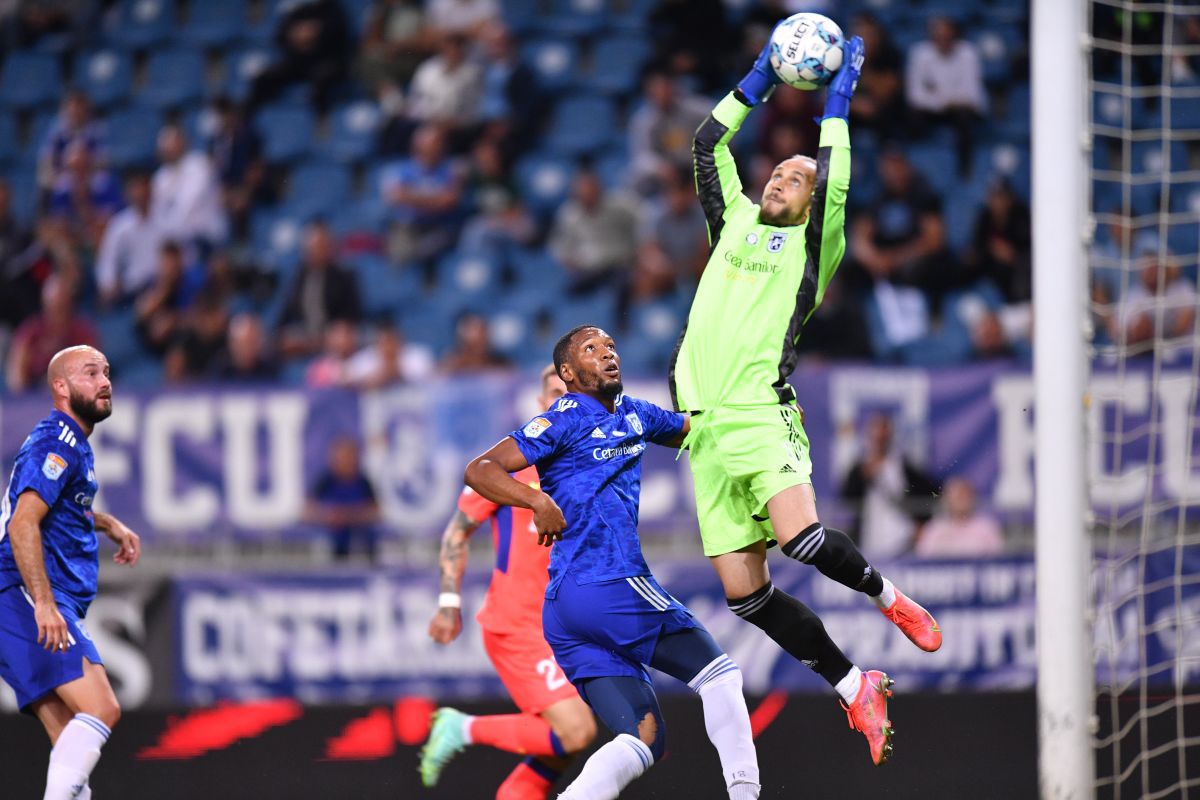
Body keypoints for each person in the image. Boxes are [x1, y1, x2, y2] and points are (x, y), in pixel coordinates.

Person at [668, 31, 940, 766]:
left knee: (803, 539)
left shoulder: (813, 246)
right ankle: (854, 684)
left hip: (760, 409)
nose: (784, 177)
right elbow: (704, 145)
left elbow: (835, 172)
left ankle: (891, 598)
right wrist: (757, 79)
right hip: (704, 432)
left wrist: (839, 99)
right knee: (743, 596)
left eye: (798, 174)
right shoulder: (734, 224)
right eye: (779, 171)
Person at [462, 325, 762, 800]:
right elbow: (480, 469)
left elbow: (698, 427)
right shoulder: (561, 419)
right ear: (568, 373)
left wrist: (765, 417)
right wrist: (536, 502)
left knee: (644, 740)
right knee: (719, 674)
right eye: (591, 349)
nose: (607, 354)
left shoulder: (635, 413)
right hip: (606, 583)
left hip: (568, 613)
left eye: (610, 346)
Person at [421, 364, 597, 799]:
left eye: (573, 395)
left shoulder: (596, 467)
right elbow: (456, 532)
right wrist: (448, 601)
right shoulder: (509, 466)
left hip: (567, 629)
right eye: (556, 394)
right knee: (576, 731)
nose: (564, 403)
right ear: (540, 405)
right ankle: (461, 727)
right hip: (518, 626)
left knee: (557, 747)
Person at [0, 345, 142, 799]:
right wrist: (43, 602)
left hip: (18, 597)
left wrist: (107, 523)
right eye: (90, 373)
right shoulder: (58, 438)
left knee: (69, 745)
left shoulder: (71, 443)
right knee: (102, 707)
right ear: (60, 387)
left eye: (106, 371)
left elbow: (61, 505)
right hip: (22, 594)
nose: (105, 381)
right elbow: (23, 522)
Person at [839, 413, 940, 558]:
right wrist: (862, 476)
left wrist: (921, 524)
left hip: (902, 535)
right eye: (876, 434)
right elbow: (846, 497)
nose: (880, 439)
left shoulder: (903, 465)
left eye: (883, 434)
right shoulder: (861, 466)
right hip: (870, 536)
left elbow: (930, 493)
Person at [306, 438, 381, 561]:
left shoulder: (363, 482)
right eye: (342, 456)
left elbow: (376, 512)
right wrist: (328, 516)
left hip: (358, 533)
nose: (346, 461)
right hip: (333, 534)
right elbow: (307, 511)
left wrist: (350, 516)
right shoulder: (326, 481)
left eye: (350, 456)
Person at [915, 477, 1004, 557]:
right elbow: (923, 561)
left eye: (964, 495)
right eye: (957, 496)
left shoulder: (986, 526)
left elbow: (997, 559)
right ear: (946, 499)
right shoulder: (934, 528)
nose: (961, 500)